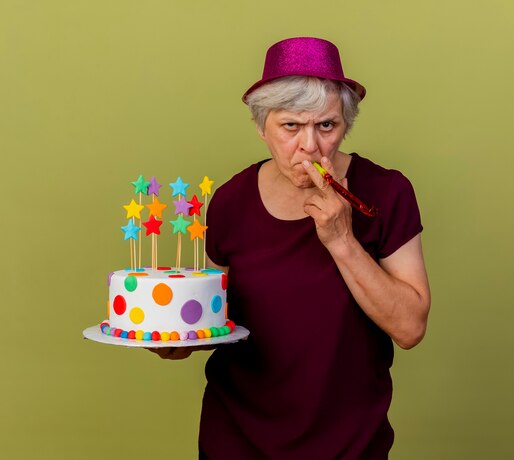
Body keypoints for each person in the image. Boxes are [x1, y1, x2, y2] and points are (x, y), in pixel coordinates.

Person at [153, 37, 431, 459]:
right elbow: (211, 320)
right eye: (290, 126)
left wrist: (342, 240)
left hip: (350, 445)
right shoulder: (230, 200)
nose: (310, 147)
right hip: (237, 441)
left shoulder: (386, 193)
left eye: (326, 125)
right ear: (262, 127)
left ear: (345, 125)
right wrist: (175, 340)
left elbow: (410, 329)